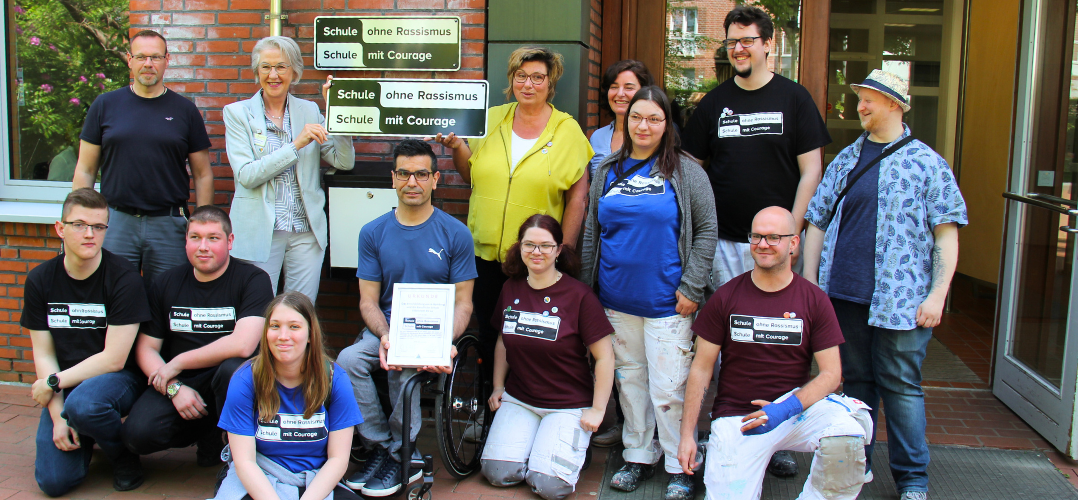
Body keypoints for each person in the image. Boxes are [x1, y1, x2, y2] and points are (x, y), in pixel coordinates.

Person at [679, 5, 832, 476]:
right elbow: (692, 169)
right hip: (724, 243)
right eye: (732, 41)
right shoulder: (714, 103)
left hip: (777, 244)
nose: (740, 48)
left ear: (768, 44)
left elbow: (812, 169)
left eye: (748, 40)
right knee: (728, 341)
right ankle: (723, 428)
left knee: (782, 341)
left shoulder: (795, 99)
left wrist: (792, 232)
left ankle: (778, 433)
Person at [803, 70, 967, 500]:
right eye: (860, 98)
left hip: (903, 301)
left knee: (901, 386)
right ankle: (859, 468)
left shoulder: (928, 163)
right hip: (843, 295)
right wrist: (810, 284)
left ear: (895, 104)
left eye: (870, 99)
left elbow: (946, 234)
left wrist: (937, 294)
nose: (861, 105)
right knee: (855, 384)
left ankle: (913, 479)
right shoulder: (846, 159)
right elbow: (817, 221)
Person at [677, 206, 873, 500]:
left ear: (793, 243)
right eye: (756, 236)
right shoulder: (726, 296)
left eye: (773, 237)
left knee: (847, 436)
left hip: (795, 411)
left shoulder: (814, 299)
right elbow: (702, 368)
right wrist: (686, 436)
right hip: (740, 417)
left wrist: (784, 409)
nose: (763, 244)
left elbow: (832, 374)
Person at [579, 86, 717, 500]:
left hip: (667, 302)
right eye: (637, 117)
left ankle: (681, 464)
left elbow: (707, 229)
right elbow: (592, 232)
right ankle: (639, 454)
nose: (644, 126)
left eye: (654, 118)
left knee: (669, 387)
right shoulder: (606, 169)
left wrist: (691, 287)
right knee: (630, 382)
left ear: (667, 124)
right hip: (615, 301)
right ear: (626, 119)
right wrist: (589, 292)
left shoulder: (687, 171)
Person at [432, 46, 593, 378]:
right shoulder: (492, 119)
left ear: (551, 84)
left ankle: (532, 402)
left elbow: (578, 197)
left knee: (533, 336)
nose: (528, 84)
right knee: (492, 334)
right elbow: (469, 175)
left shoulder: (567, 131)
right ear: (511, 80)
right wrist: (458, 148)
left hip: (536, 256)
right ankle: (494, 411)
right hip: (484, 253)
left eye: (538, 77)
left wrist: (565, 250)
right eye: (521, 76)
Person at [337, 140, 477, 497]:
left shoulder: (455, 233)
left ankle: (402, 456)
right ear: (393, 179)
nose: (412, 181)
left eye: (421, 174)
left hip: (433, 331)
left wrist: (444, 341)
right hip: (386, 327)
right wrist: (386, 336)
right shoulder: (373, 232)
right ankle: (383, 447)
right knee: (347, 360)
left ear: (435, 179)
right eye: (404, 173)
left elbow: (464, 303)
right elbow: (368, 301)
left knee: (402, 367)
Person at [121, 206, 275, 466]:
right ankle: (206, 432)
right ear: (186, 240)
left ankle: (233, 448)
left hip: (229, 381)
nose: (203, 246)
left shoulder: (253, 280)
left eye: (213, 238)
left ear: (230, 241)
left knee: (232, 371)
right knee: (138, 435)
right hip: (183, 384)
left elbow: (243, 344)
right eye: (195, 237)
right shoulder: (166, 282)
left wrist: (179, 362)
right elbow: (146, 349)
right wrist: (174, 388)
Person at [24, 188, 151, 495]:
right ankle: (86, 429)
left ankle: (122, 456)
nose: (89, 234)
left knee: (85, 404)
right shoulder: (40, 280)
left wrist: (53, 383)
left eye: (98, 227)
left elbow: (114, 359)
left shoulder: (124, 278)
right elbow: (43, 353)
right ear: (60, 229)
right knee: (54, 482)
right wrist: (58, 417)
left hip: (118, 379)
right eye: (79, 225)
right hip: (66, 382)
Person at [482, 214, 614, 500]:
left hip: (567, 404)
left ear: (558, 249)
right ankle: (538, 445)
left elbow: (605, 358)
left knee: (550, 486)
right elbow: (503, 340)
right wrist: (498, 387)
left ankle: (558, 447)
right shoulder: (511, 288)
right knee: (497, 473)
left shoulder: (580, 296)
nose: (537, 252)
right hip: (521, 398)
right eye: (529, 245)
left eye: (545, 245)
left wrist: (598, 410)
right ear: (519, 247)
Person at [72, 30, 213, 285]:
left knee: (166, 299)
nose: (148, 64)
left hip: (168, 224)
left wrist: (201, 225)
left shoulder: (185, 111)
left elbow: (203, 174)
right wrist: (80, 221)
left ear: (167, 60)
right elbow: (85, 169)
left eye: (156, 57)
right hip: (115, 222)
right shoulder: (105, 105)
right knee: (112, 294)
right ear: (130, 59)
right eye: (141, 57)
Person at [224, 36, 356, 302]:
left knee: (300, 312)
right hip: (260, 230)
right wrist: (296, 144)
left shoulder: (309, 110)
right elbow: (247, 175)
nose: (273, 75)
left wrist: (336, 110)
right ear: (257, 71)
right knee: (257, 311)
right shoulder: (238, 113)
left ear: (294, 71)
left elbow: (344, 161)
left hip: (305, 230)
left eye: (281, 67)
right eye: (265, 67)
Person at [214, 292, 364, 500]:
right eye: (275, 326)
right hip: (260, 479)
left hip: (314, 480)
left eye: (294, 326)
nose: (283, 336)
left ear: (311, 333)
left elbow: (338, 459)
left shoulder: (334, 378)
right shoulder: (245, 379)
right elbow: (245, 462)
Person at [587, 59, 654, 180]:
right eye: (614, 87)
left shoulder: (653, 135)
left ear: (644, 92)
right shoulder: (598, 137)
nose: (620, 93)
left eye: (629, 88)